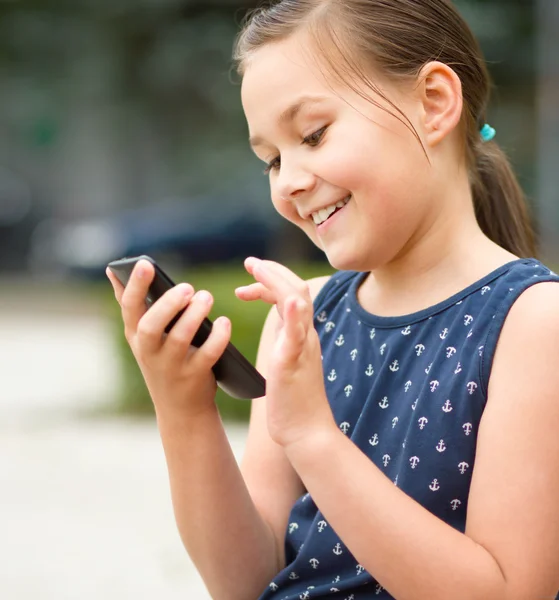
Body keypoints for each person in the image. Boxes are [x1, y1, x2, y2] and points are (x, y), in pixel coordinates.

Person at [106, 1, 559, 598]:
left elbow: (508, 591)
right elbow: (244, 581)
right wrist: (185, 413)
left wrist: (316, 439)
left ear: (434, 103)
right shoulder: (305, 318)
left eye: (313, 135)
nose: (288, 181)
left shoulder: (533, 324)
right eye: (270, 159)